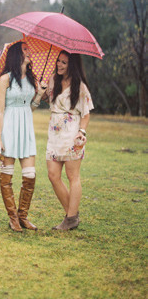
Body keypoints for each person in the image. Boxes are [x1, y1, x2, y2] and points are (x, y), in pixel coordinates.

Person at [0, 41, 46, 232]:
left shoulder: (32, 79)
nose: (29, 52)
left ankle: (23, 216)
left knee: (30, 175)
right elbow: (0, 110)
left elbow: (29, 108)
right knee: (6, 175)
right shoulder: (5, 79)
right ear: (16, 54)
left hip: (26, 128)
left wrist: (39, 95)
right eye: (25, 50)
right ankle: (13, 218)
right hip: (8, 127)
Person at [42, 51, 93, 230]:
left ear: (72, 65)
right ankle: (72, 216)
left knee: (73, 176)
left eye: (64, 62)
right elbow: (45, 99)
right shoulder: (52, 80)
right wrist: (41, 89)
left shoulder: (80, 86)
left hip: (72, 135)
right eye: (58, 61)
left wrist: (82, 132)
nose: (59, 64)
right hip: (54, 135)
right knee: (53, 175)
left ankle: (70, 218)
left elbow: (86, 114)